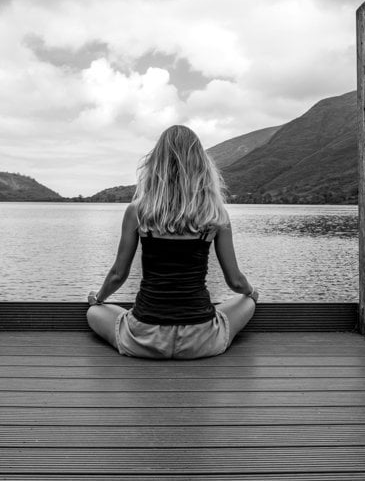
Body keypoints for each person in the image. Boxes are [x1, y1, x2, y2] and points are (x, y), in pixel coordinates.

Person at [86, 125, 258, 359]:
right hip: (201, 339)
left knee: (95, 313)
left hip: (145, 337)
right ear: (201, 166)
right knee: (246, 302)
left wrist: (98, 298)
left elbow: (118, 274)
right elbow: (236, 282)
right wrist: (252, 292)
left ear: (156, 165)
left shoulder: (138, 210)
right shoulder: (215, 214)